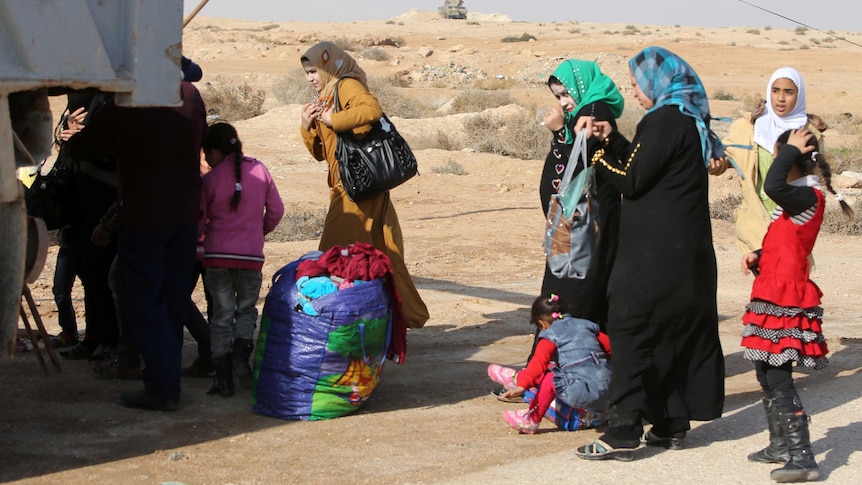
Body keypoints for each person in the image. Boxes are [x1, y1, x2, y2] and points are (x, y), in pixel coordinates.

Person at [572, 46, 725, 461]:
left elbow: (632, 180)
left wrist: (596, 152)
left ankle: (622, 430)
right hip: (683, 257)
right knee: (670, 334)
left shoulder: (663, 120)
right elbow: (646, 165)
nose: (634, 92)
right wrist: (616, 139)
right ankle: (670, 423)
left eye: (638, 84)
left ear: (658, 83)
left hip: (654, 260)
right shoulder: (685, 118)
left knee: (632, 330)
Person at [67, 78, 208, 411]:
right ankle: (166, 380)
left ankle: (161, 385)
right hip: (186, 212)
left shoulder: (129, 103)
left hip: (146, 213)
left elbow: (87, 148)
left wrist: (72, 137)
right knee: (173, 299)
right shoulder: (188, 95)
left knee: (143, 298)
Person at [740, 128, 852, 483]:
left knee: (778, 376)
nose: (776, 162)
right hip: (772, 293)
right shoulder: (796, 200)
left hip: (785, 301)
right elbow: (786, 241)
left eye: (780, 157)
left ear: (792, 159)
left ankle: (803, 456)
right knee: (764, 369)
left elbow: (771, 186)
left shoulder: (807, 196)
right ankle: (779, 444)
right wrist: (759, 255)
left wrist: (786, 149)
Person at [299, 41, 429, 330]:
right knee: (381, 255)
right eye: (307, 73)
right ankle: (398, 315)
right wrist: (307, 126)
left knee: (333, 257)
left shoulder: (345, 85)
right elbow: (323, 153)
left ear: (329, 65)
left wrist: (333, 118)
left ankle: (335, 322)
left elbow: (370, 110)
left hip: (355, 191)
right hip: (351, 186)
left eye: (314, 71)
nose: (310, 78)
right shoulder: (326, 96)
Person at [532, 59, 623, 358]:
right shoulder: (587, 113)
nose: (563, 102)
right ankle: (552, 371)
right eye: (558, 96)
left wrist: (559, 134)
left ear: (580, 88)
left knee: (571, 300)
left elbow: (580, 166)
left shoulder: (593, 115)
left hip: (584, 233)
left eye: (565, 94)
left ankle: (561, 370)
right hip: (575, 229)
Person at [200, 122, 284, 397]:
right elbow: (276, 210)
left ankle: (222, 378)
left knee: (222, 315)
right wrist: (259, 232)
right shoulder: (259, 169)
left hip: (216, 258)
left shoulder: (210, 180)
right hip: (250, 257)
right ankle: (240, 358)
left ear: (213, 150)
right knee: (246, 310)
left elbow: (198, 221)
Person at [710, 67, 827, 254]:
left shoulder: (807, 135)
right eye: (775, 91)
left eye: (789, 92)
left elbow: (814, 178)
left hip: (793, 220)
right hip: (754, 222)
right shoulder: (748, 127)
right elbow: (723, 160)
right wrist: (712, 162)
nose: (781, 98)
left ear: (799, 95)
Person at [487, 294, 611, 434]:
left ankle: (531, 419)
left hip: (582, 394)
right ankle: (516, 377)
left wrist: (522, 387)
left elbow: (538, 364)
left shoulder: (551, 334)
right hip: (607, 391)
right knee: (555, 369)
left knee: (552, 377)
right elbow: (612, 348)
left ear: (541, 324)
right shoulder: (585, 325)